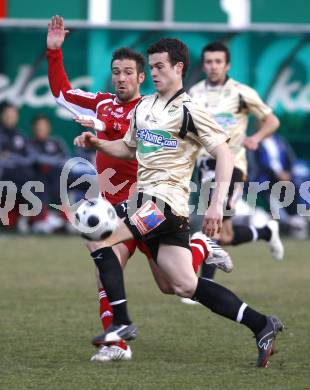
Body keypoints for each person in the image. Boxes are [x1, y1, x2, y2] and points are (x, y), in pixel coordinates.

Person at [75, 38, 283, 368]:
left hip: (165, 205)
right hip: (144, 203)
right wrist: (97, 141)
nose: (154, 72)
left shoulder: (190, 110)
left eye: (160, 66)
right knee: (181, 285)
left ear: (178, 68)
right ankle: (261, 324)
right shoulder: (144, 107)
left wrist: (216, 204)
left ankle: (121, 322)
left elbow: (224, 154)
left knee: (99, 239)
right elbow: (129, 149)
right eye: (152, 66)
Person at [46, 16, 230, 362]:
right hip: (117, 209)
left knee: (172, 285)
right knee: (103, 263)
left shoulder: (150, 109)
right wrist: (54, 53)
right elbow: (62, 94)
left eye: (128, 72)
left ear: (142, 76)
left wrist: (101, 128)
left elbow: (123, 132)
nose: (121, 77)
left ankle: (200, 246)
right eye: (116, 71)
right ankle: (118, 342)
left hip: (150, 206)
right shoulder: (101, 102)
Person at [188, 41, 284, 280]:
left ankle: (203, 284)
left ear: (227, 64)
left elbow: (272, 121)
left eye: (218, 61)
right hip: (204, 165)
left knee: (214, 217)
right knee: (225, 235)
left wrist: (256, 138)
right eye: (209, 61)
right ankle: (265, 231)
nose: (213, 66)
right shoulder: (195, 93)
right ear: (204, 64)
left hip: (233, 166)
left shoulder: (242, 92)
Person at [30, 114, 69, 233]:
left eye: (43, 126)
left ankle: (66, 219)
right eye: (38, 126)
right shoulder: (29, 144)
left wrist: (53, 162)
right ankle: (43, 219)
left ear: (49, 128)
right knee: (41, 180)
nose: (41, 129)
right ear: (33, 128)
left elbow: (66, 159)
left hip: (58, 175)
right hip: (37, 177)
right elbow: (34, 160)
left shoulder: (56, 142)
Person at [0, 102, 35, 229]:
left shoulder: (20, 135)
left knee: (32, 183)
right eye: (7, 114)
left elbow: (30, 157)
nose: (10, 117)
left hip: (19, 176)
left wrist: (13, 158)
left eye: (13, 114)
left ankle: (24, 221)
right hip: (3, 176)